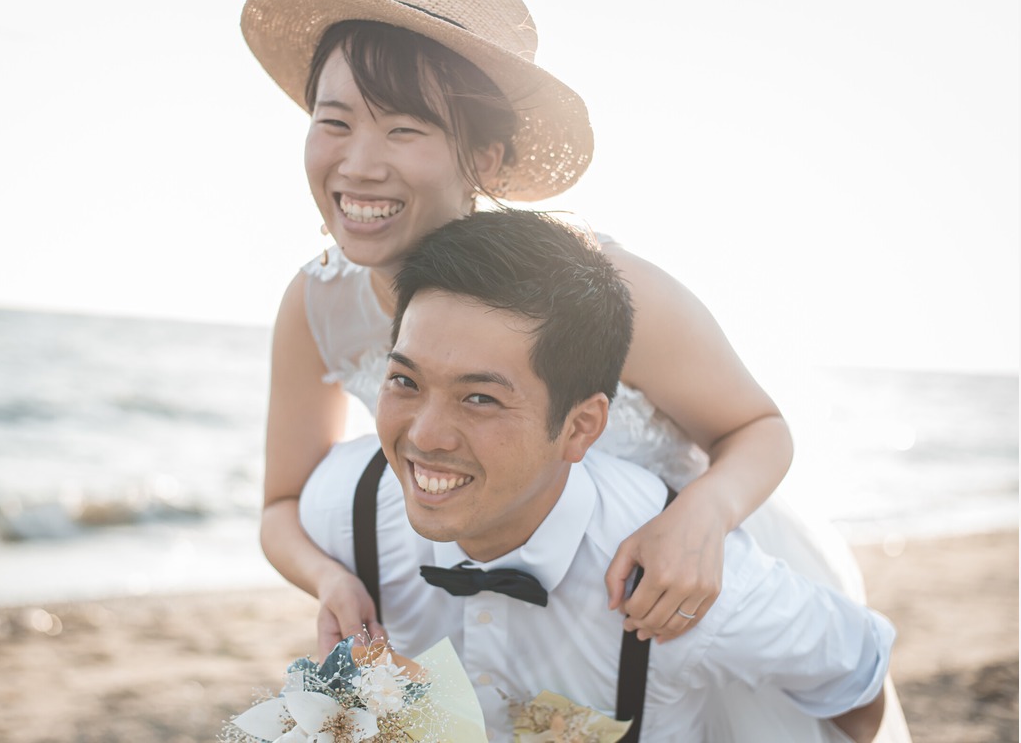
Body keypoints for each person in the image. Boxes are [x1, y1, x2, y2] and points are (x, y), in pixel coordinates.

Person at [239, 0, 911, 738]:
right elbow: (281, 508)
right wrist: (335, 579)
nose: (359, 164)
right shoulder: (318, 299)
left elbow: (758, 427)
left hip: (664, 583)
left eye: (405, 130)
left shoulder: (599, 292)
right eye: (334, 122)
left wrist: (702, 519)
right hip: (497, 582)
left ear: (483, 158)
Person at [298, 208, 892, 742]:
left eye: (479, 399)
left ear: (581, 428)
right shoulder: (345, 508)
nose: (425, 436)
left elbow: (859, 684)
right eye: (405, 381)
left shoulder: (697, 589)